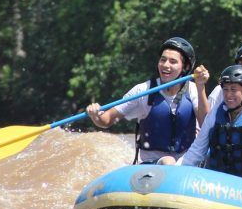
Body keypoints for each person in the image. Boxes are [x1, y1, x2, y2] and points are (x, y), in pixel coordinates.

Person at [86, 37, 205, 165]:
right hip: (150, 165)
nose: (165, 65)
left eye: (173, 61)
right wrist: (95, 116)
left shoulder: (193, 89)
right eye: (163, 60)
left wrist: (201, 86)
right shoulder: (142, 91)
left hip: (186, 163)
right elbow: (106, 120)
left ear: (185, 67)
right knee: (168, 161)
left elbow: (206, 123)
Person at [180, 65, 242, 182]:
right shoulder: (215, 113)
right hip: (216, 184)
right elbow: (197, 150)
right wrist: (179, 171)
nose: (228, 94)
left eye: (233, 89)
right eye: (225, 89)